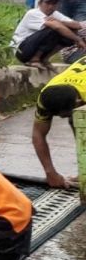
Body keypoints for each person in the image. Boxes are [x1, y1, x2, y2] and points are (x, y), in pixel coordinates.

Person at [31, 57, 86, 188]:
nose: (61, 118)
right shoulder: (46, 98)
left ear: (78, 102)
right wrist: (50, 172)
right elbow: (38, 134)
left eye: (64, 114)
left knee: (79, 120)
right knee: (77, 121)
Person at [11, 0, 86, 68]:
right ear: (40, 3)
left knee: (71, 31)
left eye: (54, 3)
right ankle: (34, 60)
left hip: (35, 48)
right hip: (22, 51)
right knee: (53, 29)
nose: (51, 6)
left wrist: (60, 22)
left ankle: (45, 59)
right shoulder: (33, 13)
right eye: (48, 3)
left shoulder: (55, 14)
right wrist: (78, 39)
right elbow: (56, 26)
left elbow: (77, 25)